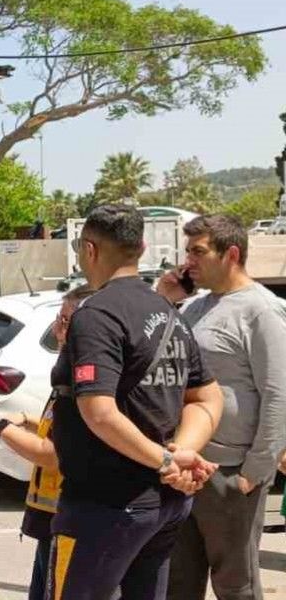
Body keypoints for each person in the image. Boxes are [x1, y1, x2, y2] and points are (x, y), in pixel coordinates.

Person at [47, 204, 224, 600]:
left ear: (89, 250)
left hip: (105, 505)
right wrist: (179, 454)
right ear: (141, 248)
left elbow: (99, 412)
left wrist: (168, 460)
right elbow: (208, 397)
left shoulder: (96, 315)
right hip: (162, 504)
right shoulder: (168, 313)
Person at [157, 214, 286, 600]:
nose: (188, 262)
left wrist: (254, 472)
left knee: (236, 587)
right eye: (187, 252)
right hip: (185, 468)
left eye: (198, 252)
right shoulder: (194, 308)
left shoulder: (262, 311)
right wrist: (164, 298)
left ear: (231, 254)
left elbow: (278, 393)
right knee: (178, 584)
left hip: (230, 474)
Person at [0, 283, 95, 600]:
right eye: (58, 318)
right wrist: (26, 420)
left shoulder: (86, 380)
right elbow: (56, 427)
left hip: (70, 520)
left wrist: (3, 428)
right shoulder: (68, 372)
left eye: (65, 322)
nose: (57, 329)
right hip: (53, 518)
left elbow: (52, 453)